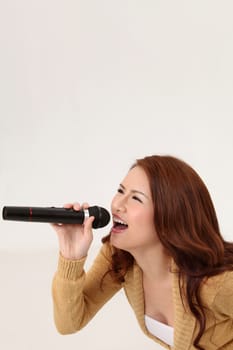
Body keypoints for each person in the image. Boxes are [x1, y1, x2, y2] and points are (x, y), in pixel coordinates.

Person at [51, 155, 233, 350]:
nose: (117, 205)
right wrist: (71, 257)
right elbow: (69, 323)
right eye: (120, 191)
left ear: (169, 215)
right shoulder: (120, 259)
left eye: (136, 198)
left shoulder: (218, 282)